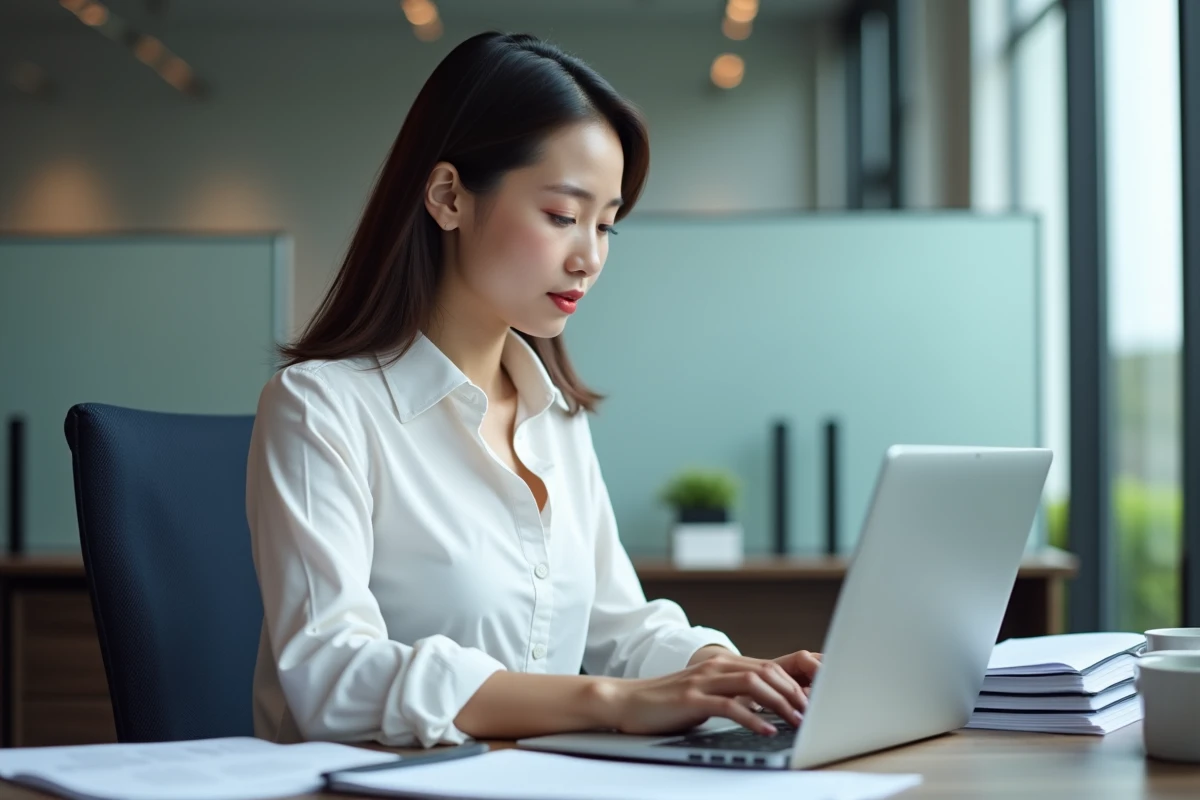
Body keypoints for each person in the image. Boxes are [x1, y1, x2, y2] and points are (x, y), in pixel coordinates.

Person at [246, 31, 821, 749]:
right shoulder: (319, 409)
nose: (589, 258)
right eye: (561, 216)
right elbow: (331, 677)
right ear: (450, 196)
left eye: (606, 225)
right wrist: (613, 701)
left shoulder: (556, 420)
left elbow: (620, 624)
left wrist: (723, 671)